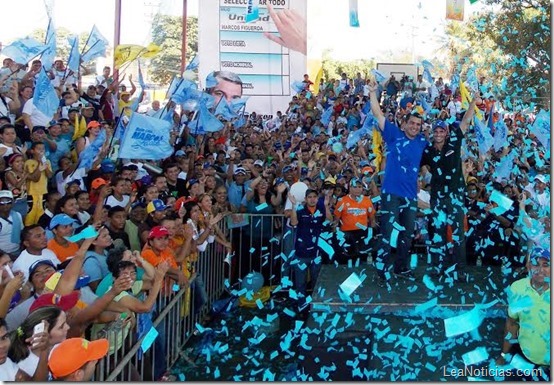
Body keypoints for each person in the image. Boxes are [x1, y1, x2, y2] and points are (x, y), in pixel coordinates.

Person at [368, 79, 428, 285]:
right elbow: (378, 114)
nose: (414, 126)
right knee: (387, 231)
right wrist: (373, 93)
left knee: (407, 234)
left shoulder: (422, 142)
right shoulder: (394, 135)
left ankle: (401, 267)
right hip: (391, 193)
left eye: (418, 125)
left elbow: (432, 161)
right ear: (404, 124)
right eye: (411, 123)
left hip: (410, 196)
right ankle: (381, 269)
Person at [419, 94, 478, 278]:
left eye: (441, 131)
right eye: (435, 132)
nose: (438, 134)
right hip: (437, 197)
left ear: (446, 133)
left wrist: (473, 102)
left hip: (455, 196)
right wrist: (423, 177)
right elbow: (420, 164)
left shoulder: (454, 142)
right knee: (439, 233)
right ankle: (440, 267)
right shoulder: (428, 149)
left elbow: (466, 121)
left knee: (458, 234)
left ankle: (460, 270)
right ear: (432, 133)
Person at [496, 247, 550, 381]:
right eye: (535, 263)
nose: (540, 269)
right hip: (526, 358)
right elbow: (512, 324)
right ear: (528, 265)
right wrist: (503, 355)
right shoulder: (518, 289)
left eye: (546, 265)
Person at [288, 188, 332, 307]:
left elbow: (329, 220)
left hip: (316, 252)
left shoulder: (321, 209)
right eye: (310, 197)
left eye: (314, 197)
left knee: (316, 281)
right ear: (305, 199)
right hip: (301, 252)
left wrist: (326, 206)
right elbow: (293, 223)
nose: (312, 199)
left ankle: (315, 304)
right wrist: (293, 206)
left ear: (317, 198)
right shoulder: (300, 210)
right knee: (300, 282)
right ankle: (301, 305)